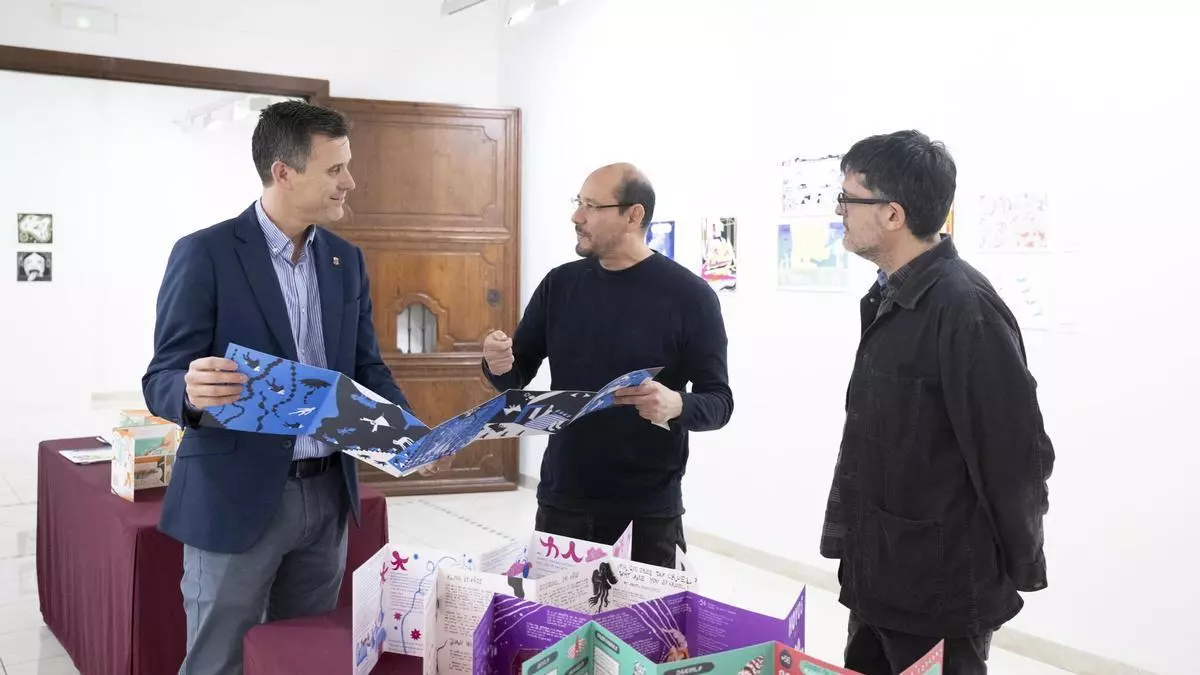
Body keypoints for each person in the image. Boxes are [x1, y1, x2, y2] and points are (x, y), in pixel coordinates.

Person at [142, 101, 414, 675]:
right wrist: (189, 392)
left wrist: (409, 432)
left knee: (302, 659)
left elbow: (367, 368)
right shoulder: (206, 253)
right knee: (217, 661)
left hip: (328, 495)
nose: (350, 181)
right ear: (284, 172)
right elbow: (161, 376)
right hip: (235, 498)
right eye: (335, 168)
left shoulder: (346, 260)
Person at [820, 130, 1054, 675]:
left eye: (848, 199)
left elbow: (1016, 457)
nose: (839, 211)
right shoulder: (891, 294)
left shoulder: (965, 309)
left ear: (893, 214)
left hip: (938, 591)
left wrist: (1017, 566)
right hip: (878, 576)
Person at [481, 163, 733, 568]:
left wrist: (677, 404)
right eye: (578, 203)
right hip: (562, 499)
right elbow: (516, 374)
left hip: (647, 511)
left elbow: (719, 402)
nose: (576, 216)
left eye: (592, 206)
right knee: (554, 611)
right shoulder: (560, 285)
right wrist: (497, 364)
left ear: (634, 215)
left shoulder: (690, 297)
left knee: (643, 614)